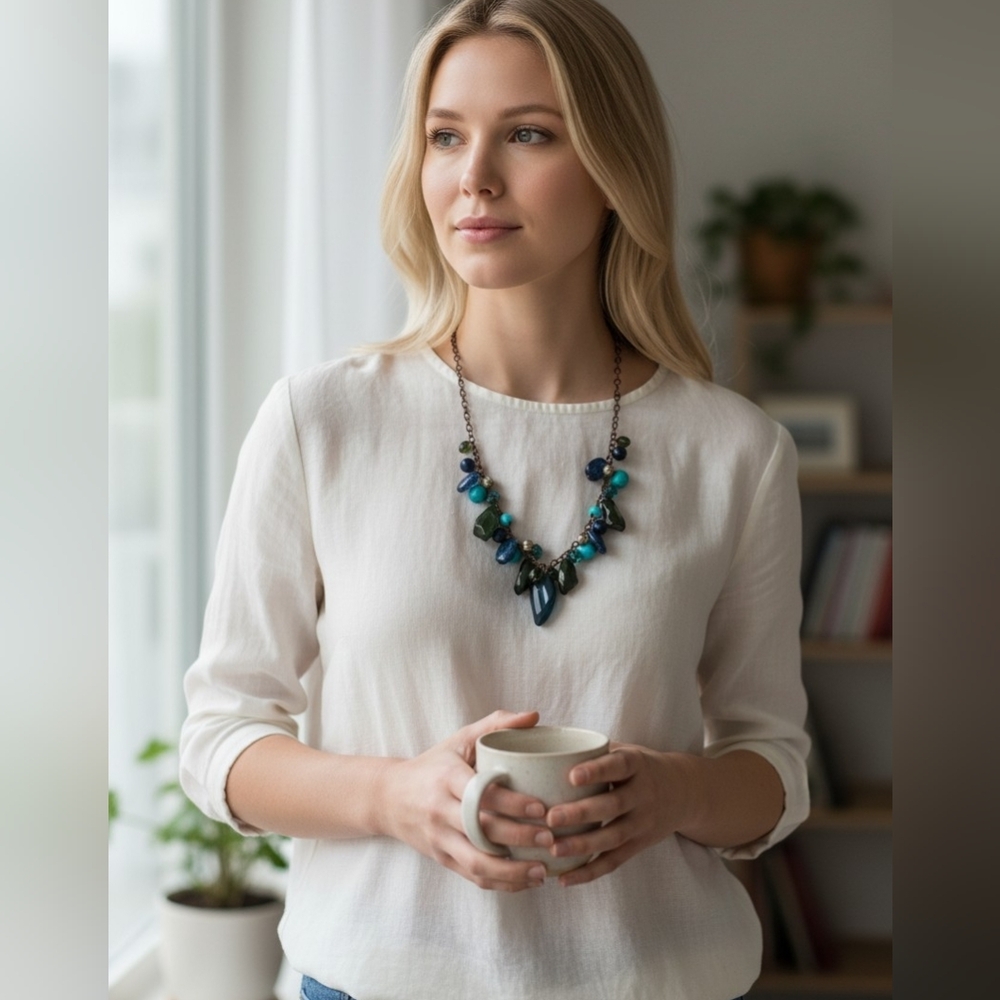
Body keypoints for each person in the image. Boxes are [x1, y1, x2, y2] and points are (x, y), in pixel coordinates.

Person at [179, 1, 810, 998]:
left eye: (527, 134)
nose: (472, 175)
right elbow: (220, 739)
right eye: (444, 136)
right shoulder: (321, 420)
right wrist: (394, 796)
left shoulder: (737, 453)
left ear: (612, 165)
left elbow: (772, 765)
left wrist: (678, 791)